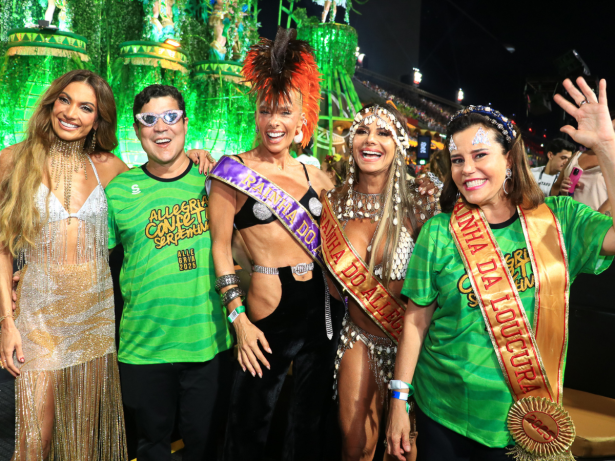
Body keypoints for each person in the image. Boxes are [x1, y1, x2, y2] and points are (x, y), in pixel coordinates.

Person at [386, 77, 615, 461]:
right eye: (457, 159)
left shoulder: (559, 222)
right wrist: (398, 400)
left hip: (523, 421)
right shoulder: (440, 231)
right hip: (442, 410)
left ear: (509, 158)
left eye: (480, 155)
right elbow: (416, 320)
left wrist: (607, 147)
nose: (466, 169)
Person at [207, 28, 345, 461]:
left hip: (322, 313)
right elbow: (220, 249)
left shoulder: (318, 178)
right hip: (266, 308)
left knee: (308, 425)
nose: (274, 122)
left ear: (302, 116)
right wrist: (239, 320)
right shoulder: (233, 172)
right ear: (256, 114)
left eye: (284, 111)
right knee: (249, 424)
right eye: (266, 111)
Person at [0, 69, 129, 460]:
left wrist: (198, 160)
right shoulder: (14, 159)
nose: (71, 112)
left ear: (98, 118)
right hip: (38, 319)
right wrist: (7, 322)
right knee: (33, 441)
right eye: (65, 100)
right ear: (52, 102)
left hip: (94, 316)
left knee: (81, 443)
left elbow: (155, 195)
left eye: (86, 107)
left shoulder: (110, 166)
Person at [103, 84, 230, 461]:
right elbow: (96, 261)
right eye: (149, 120)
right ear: (137, 130)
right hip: (144, 348)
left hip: (206, 345)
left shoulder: (217, 183)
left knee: (204, 448)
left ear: (186, 124)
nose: (162, 128)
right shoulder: (118, 191)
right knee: (150, 447)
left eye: (171, 117)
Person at [321, 103, 440, 461]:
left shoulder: (420, 205)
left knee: (403, 451)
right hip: (358, 337)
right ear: (350, 140)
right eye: (362, 131)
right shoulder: (334, 201)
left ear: (400, 144)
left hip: (412, 343)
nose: (370, 140)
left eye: (383, 132)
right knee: (355, 445)